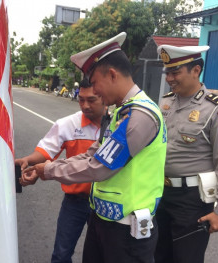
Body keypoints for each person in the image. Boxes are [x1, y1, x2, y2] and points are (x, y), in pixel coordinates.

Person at [22, 32, 167, 263]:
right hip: (104, 222)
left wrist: (48, 171)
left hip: (126, 231)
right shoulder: (121, 112)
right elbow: (92, 154)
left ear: (112, 74)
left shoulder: (140, 116)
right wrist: (48, 166)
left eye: (95, 83)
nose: (94, 92)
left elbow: (100, 167)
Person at [154, 45, 218, 263]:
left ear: (196, 70)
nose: (170, 78)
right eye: (167, 72)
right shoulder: (165, 102)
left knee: (186, 258)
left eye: (175, 72)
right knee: (157, 256)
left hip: (192, 201)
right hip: (159, 194)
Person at [15, 79, 105, 263]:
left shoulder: (118, 124)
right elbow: (46, 150)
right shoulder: (68, 124)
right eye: (81, 99)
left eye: (91, 100)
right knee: (61, 255)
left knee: (102, 255)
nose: (85, 105)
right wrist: (28, 161)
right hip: (76, 202)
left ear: (105, 97)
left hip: (107, 203)